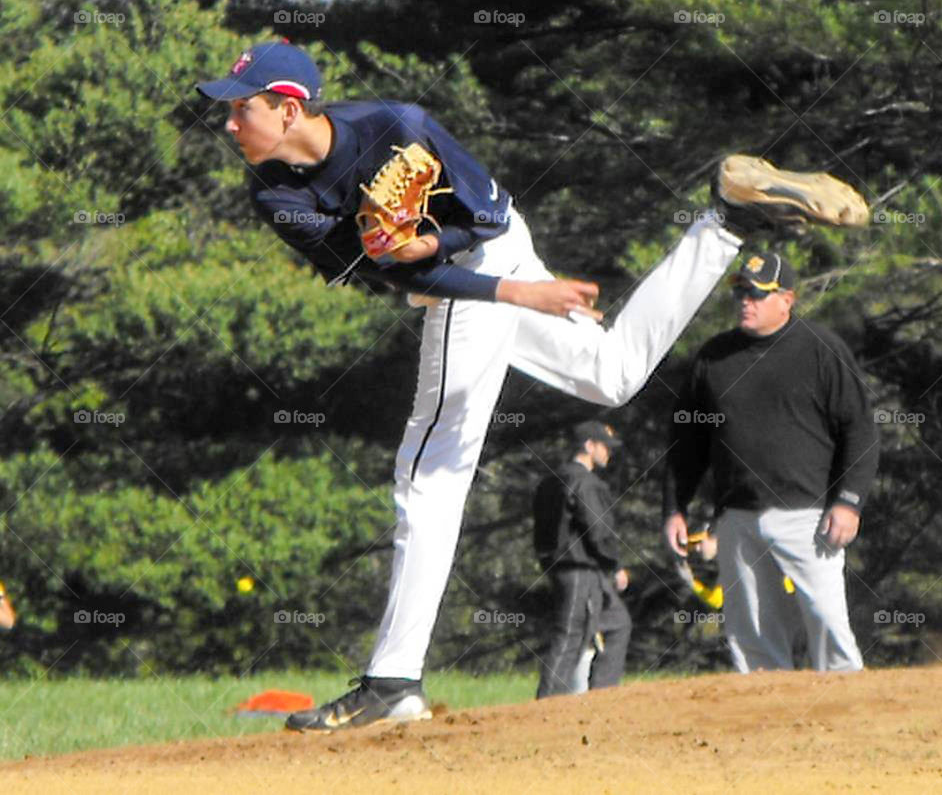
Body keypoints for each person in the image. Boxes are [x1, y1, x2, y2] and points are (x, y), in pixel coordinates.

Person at [195, 41, 857, 731]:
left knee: (428, 476)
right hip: (464, 285)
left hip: (491, 259)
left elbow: (484, 221)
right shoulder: (274, 191)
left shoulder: (398, 126)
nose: (228, 124)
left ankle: (393, 682)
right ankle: (726, 222)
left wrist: (501, 283)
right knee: (612, 374)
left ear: (288, 106)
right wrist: (431, 258)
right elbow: (392, 274)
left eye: (241, 108)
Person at [662, 252, 879, 672]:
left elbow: (861, 431)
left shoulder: (820, 350)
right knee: (753, 639)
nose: (746, 301)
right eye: (741, 292)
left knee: (828, 626)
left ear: (787, 298)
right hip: (737, 518)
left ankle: (851, 723)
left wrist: (849, 502)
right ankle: (764, 729)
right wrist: (674, 508)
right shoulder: (714, 357)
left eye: (758, 294)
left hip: (809, 516)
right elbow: (686, 444)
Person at [532, 421, 632, 697]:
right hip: (580, 570)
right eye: (604, 446)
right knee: (570, 636)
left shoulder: (550, 480)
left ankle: (603, 696)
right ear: (589, 446)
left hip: (561, 567)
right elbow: (598, 531)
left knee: (617, 623)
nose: (608, 453)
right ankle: (546, 705)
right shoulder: (586, 483)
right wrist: (614, 565)